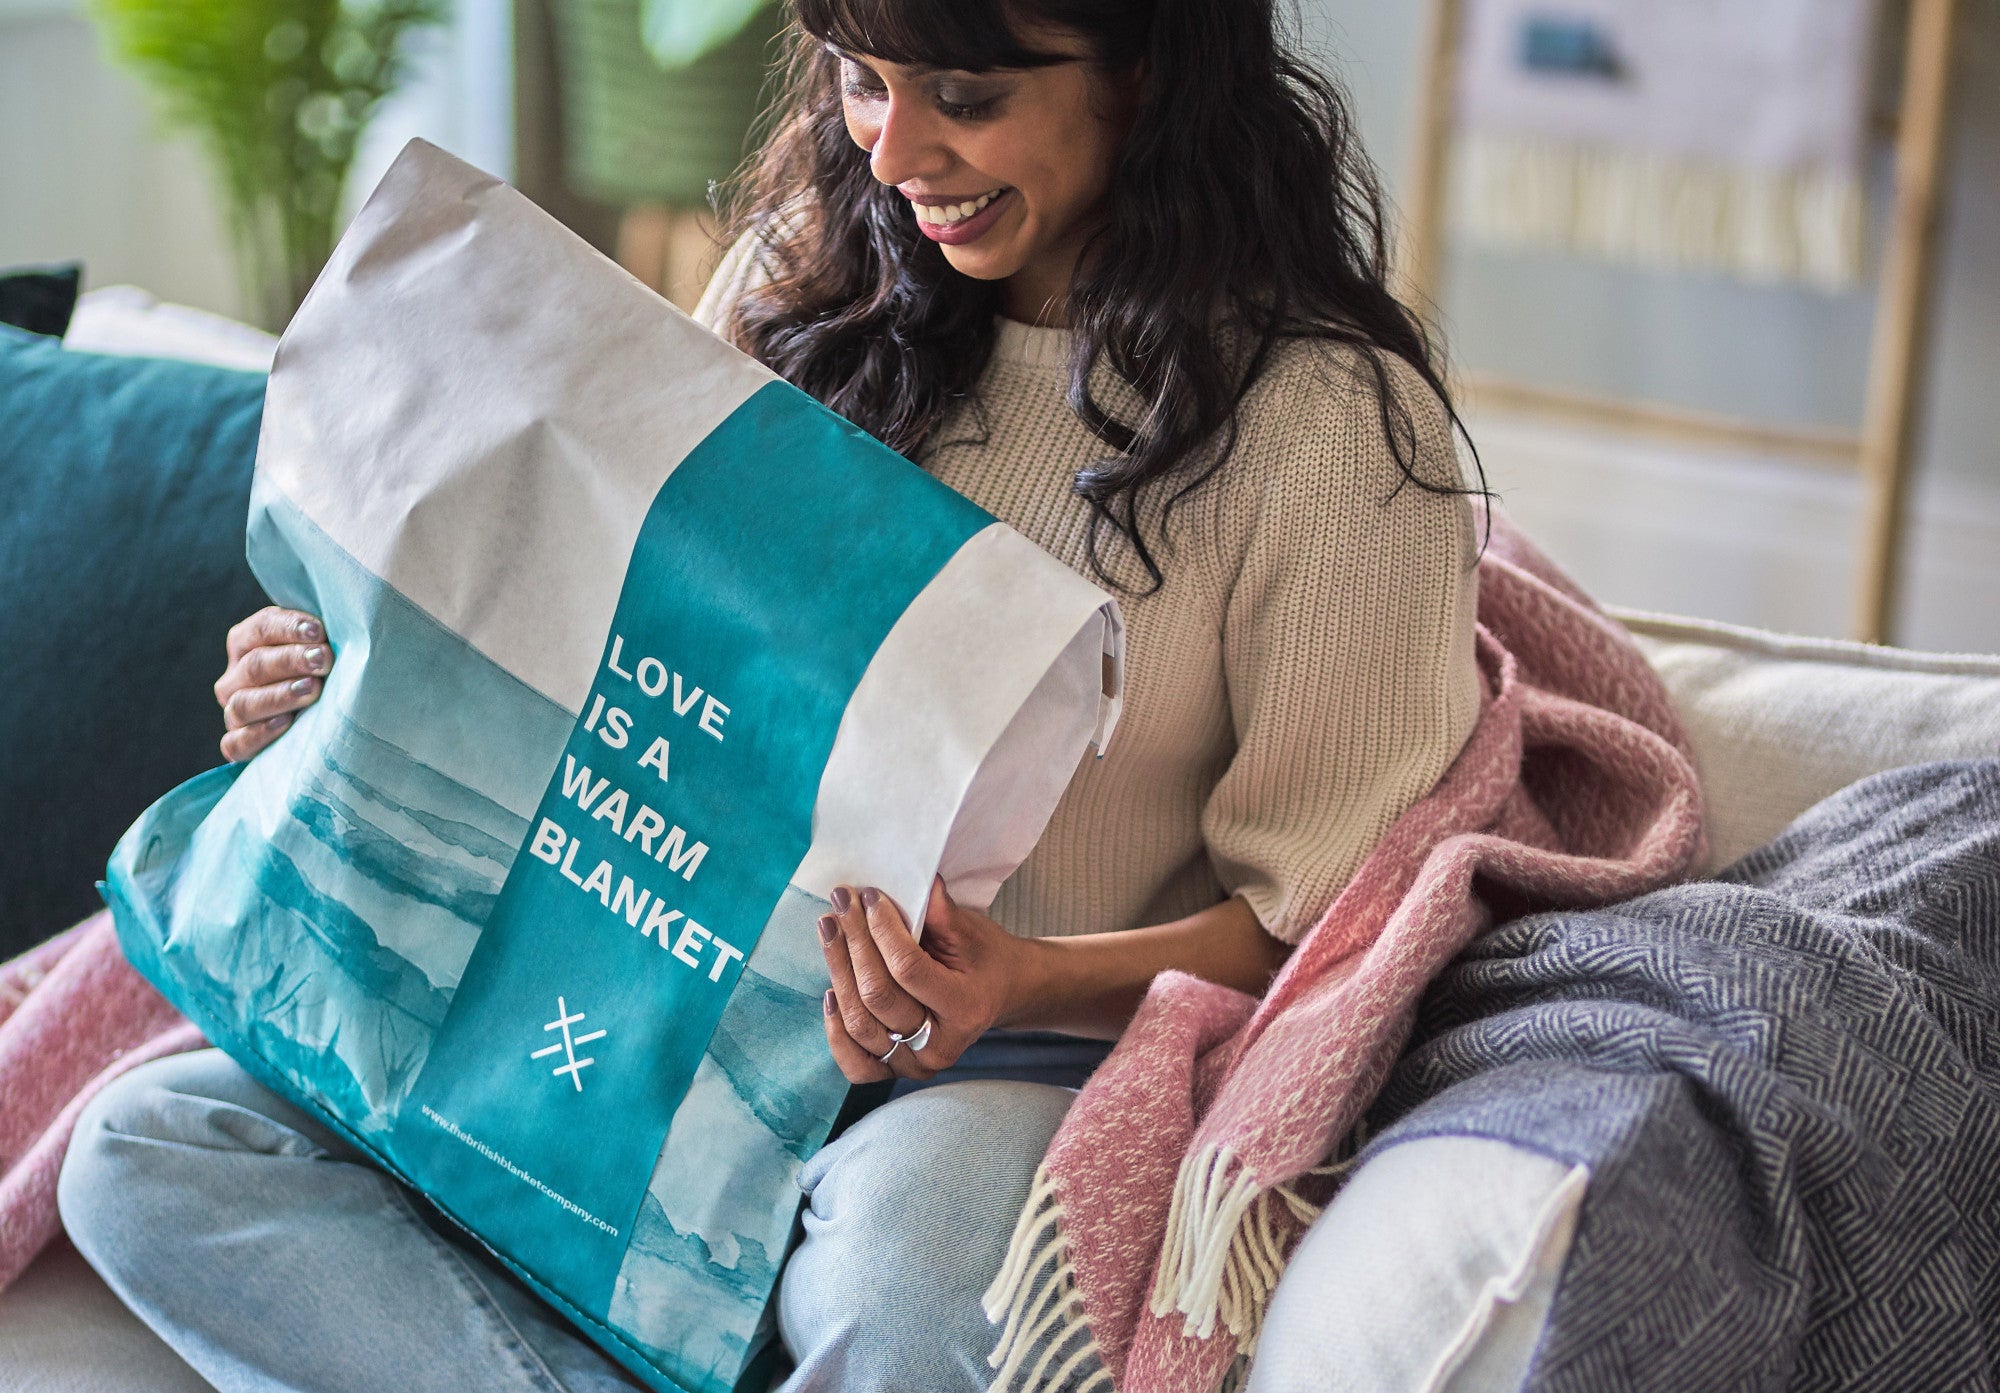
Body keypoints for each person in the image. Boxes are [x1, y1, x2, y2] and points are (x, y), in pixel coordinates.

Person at [58, 1, 1485, 1389]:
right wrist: (348, 684)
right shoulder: (797, 289)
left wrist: (1017, 979)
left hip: (1006, 1055)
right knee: (144, 1150)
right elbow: (610, 663)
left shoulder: (1328, 430)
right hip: (662, 980)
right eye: (861, 79)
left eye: (966, 97)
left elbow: (1338, 934)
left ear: (1153, 67)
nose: (893, 151)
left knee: (911, 1291)